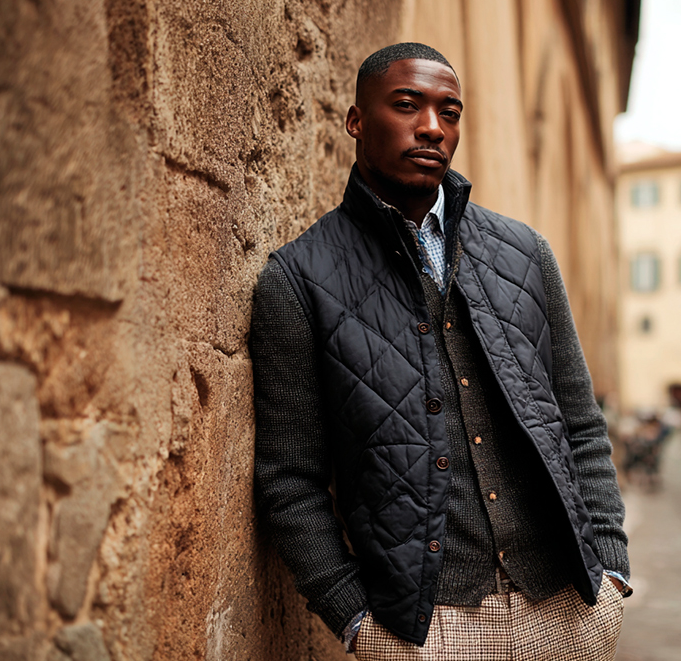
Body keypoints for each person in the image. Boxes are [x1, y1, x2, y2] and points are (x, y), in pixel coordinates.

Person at [250, 42, 630, 660]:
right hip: (428, 632)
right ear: (355, 121)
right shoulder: (298, 279)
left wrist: (609, 567)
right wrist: (356, 621)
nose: (432, 127)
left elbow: (580, 424)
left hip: (568, 608)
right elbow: (289, 479)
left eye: (449, 112)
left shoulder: (524, 253)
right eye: (407, 105)